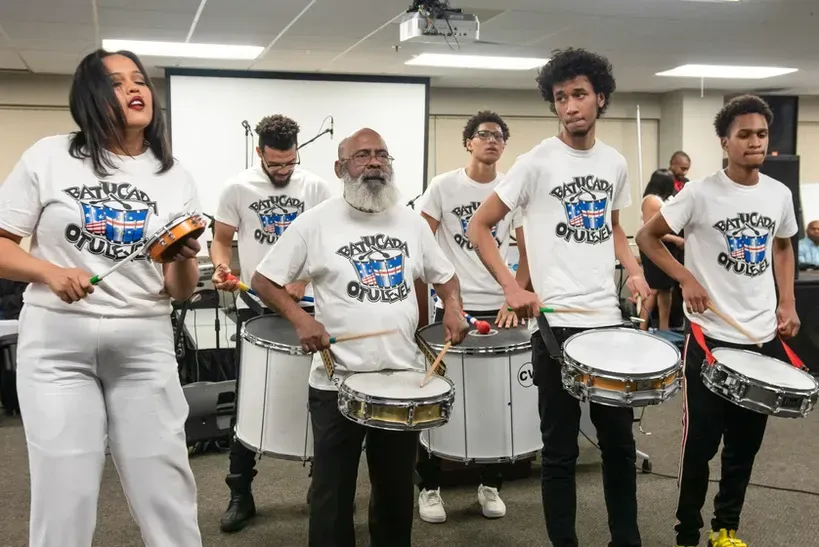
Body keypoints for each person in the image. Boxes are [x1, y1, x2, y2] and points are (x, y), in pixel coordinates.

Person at [0, 49, 203, 546]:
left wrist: (182, 257)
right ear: (90, 96)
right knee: (64, 492)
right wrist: (48, 271)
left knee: (166, 486)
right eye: (116, 82)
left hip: (142, 341)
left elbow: (179, 290)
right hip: (57, 345)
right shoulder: (50, 156)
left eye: (139, 80)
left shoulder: (174, 176)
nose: (134, 89)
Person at [466, 47, 651, 547]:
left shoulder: (614, 162)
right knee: (560, 451)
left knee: (619, 444)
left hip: (607, 325)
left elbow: (614, 227)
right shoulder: (534, 163)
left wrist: (635, 271)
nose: (570, 106)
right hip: (555, 328)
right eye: (561, 97)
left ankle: (626, 539)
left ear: (600, 98)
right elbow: (479, 226)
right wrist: (512, 286)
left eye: (579, 95)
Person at [250, 127, 468, 547]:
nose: (374, 163)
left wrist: (454, 307)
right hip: (338, 382)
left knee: (395, 492)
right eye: (362, 155)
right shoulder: (314, 223)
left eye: (381, 155)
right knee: (332, 493)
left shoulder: (411, 222)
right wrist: (301, 320)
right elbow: (264, 280)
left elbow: (445, 276)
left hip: (402, 380)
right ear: (340, 168)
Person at [636, 94, 801, 547]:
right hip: (711, 338)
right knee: (701, 445)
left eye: (761, 134)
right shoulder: (700, 193)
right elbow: (647, 237)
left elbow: (783, 245)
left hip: (760, 338)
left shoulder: (778, 194)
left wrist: (787, 302)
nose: (755, 142)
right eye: (744, 134)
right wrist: (685, 278)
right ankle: (687, 532)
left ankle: (725, 529)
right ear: (725, 141)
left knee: (744, 445)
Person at [209, 114, 331, 532]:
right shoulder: (237, 188)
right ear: (259, 151)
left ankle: (322, 487)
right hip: (256, 306)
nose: (283, 170)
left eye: (290, 162)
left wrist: (301, 280)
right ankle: (240, 492)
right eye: (275, 163)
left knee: (322, 397)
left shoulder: (315, 187)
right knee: (249, 397)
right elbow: (221, 240)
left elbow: (326, 243)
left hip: (310, 306)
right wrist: (221, 267)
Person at [414, 110, 528, 522]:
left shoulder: (512, 189)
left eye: (498, 136)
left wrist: (513, 295)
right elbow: (419, 243)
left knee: (495, 401)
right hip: (453, 309)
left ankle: (490, 483)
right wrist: (442, 303)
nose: (491, 140)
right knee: (437, 398)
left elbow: (526, 250)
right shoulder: (443, 186)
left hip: (500, 312)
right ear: (468, 142)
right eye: (483, 134)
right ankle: (429, 487)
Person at [637, 169, 684, 330]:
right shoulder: (651, 200)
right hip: (653, 248)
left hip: (666, 248)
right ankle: (642, 327)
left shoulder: (665, 200)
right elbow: (649, 230)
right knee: (653, 289)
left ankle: (664, 328)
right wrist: (676, 239)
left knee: (666, 290)